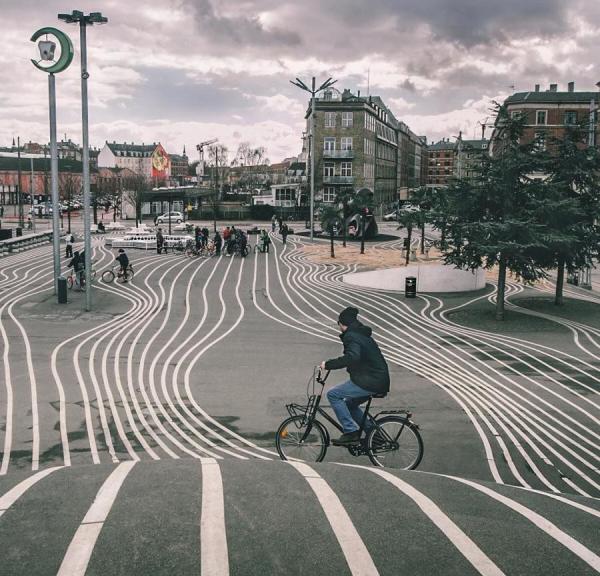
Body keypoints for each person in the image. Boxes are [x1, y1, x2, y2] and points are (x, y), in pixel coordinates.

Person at [320, 307, 390, 446]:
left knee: (333, 394)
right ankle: (374, 436)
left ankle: (351, 432)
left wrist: (328, 364)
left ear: (341, 324)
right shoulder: (360, 334)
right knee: (350, 405)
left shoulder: (351, 336)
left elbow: (352, 356)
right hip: (377, 379)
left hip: (370, 380)